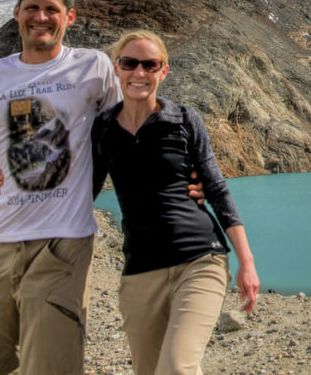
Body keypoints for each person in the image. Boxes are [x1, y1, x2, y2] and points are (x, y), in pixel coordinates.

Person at [0, 0, 124, 374]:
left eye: (52, 9)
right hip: (0, 245)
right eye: (32, 8)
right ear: (17, 12)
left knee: (50, 367)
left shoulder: (94, 68)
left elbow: (125, 137)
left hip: (63, 244)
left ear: (69, 16)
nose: (41, 17)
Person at [91, 29, 260, 374]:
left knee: (176, 368)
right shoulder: (103, 128)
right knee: (149, 369)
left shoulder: (183, 120)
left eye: (150, 65)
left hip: (200, 259)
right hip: (140, 270)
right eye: (130, 63)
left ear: (163, 71)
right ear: (116, 68)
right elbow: (82, 191)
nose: (139, 73)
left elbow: (216, 189)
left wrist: (247, 261)